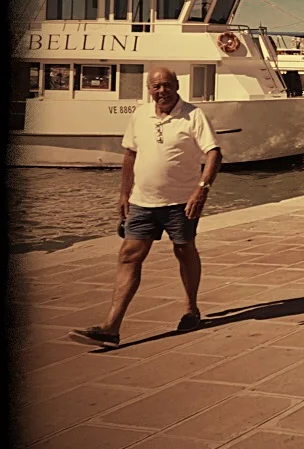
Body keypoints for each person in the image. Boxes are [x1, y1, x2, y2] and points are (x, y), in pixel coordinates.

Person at [69, 67, 221, 347]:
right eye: (156, 86)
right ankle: (111, 328)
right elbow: (130, 154)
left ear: (177, 86)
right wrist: (124, 193)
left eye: (167, 85)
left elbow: (214, 153)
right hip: (142, 202)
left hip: (180, 202)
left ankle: (191, 309)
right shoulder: (140, 115)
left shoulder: (194, 115)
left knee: (184, 250)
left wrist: (202, 190)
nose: (162, 91)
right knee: (129, 256)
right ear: (149, 89)